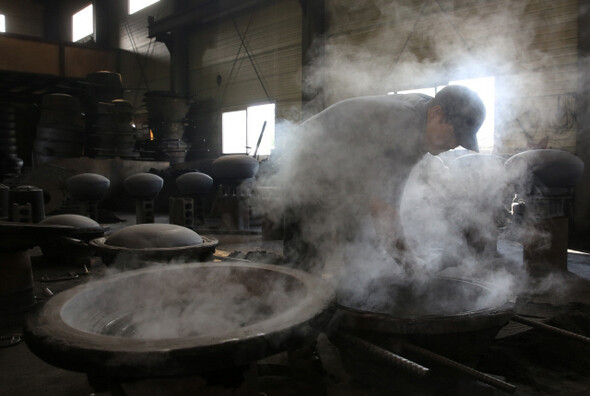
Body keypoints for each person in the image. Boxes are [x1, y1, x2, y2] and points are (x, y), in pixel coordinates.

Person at [275, 85, 486, 275]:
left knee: (358, 242)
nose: (454, 145)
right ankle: (297, 306)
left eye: (461, 141)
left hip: (341, 170)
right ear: (436, 113)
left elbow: (389, 189)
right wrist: (411, 264)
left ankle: (349, 292)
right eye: (454, 135)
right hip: (307, 164)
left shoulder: (424, 115)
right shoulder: (403, 124)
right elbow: (384, 209)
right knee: (306, 258)